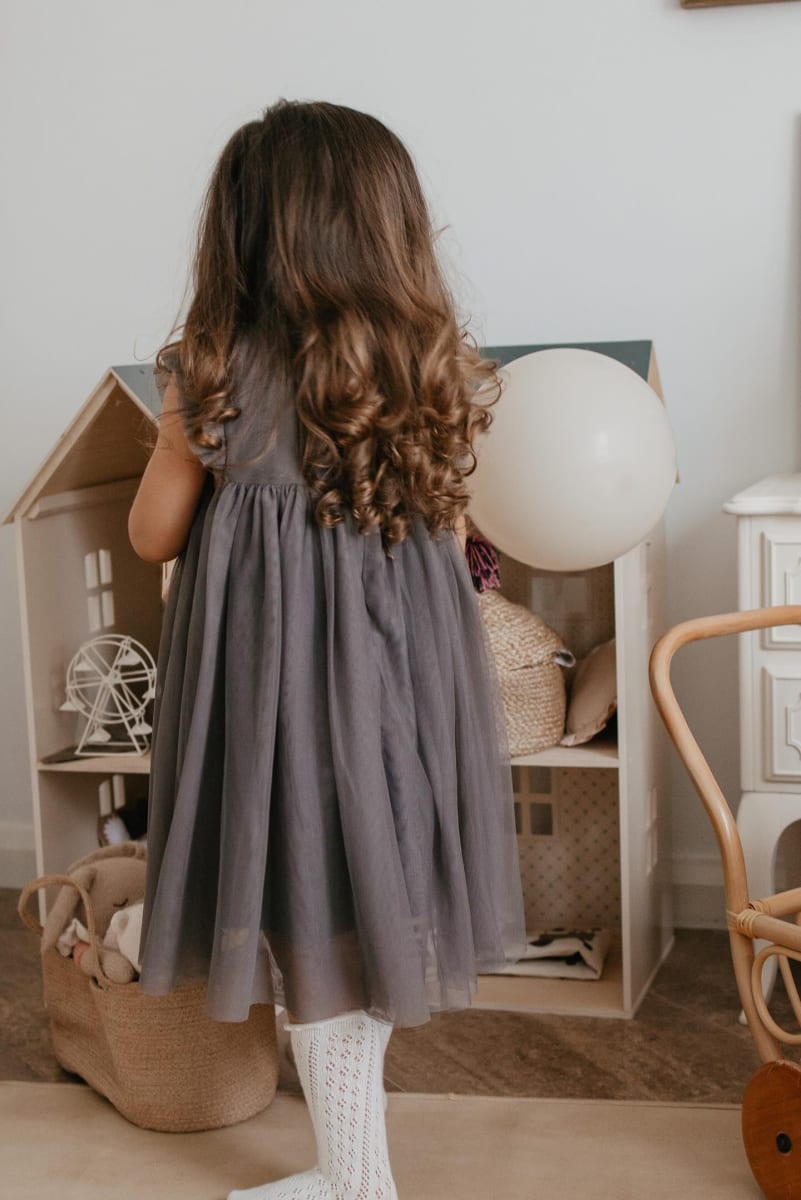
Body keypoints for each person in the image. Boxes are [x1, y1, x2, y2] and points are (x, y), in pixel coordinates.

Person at [128, 98, 528, 1200]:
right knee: (367, 904)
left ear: (242, 232)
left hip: (276, 695)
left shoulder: (208, 370)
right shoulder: (425, 366)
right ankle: (353, 1170)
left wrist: (175, 438)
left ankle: (356, 1183)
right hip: (403, 690)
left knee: (307, 911)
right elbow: (449, 533)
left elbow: (153, 534)